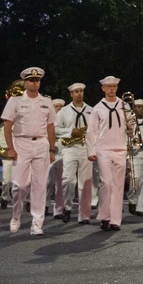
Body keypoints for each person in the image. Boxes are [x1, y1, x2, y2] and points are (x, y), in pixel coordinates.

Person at [1, 66, 57, 236]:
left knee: (40, 185)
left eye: (37, 80)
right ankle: (16, 215)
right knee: (19, 186)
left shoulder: (46, 102)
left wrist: (52, 149)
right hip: (22, 143)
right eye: (31, 80)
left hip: (41, 143)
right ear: (25, 82)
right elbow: (7, 124)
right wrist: (10, 148)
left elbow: (51, 126)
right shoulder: (15, 101)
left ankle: (37, 223)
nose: (34, 83)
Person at [86, 75, 131, 231]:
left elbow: (130, 125)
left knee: (118, 185)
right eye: (109, 87)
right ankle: (104, 216)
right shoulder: (98, 108)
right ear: (103, 88)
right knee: (106, 182)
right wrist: (91, 150)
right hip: (103, 149)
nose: (112, 89)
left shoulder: (124, 105)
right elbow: (91, 131)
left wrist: (131, 131)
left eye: (114, 86)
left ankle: (115, 220)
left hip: (120, 148)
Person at [54, 82, 93, 224]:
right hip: (69, 148)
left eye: (81, 91)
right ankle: (68, 207)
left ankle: (84, 215)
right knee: (68, 180)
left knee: (86, 183)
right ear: (71, 94)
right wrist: (71, 131)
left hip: (85, 148)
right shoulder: (63, 111)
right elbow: (56, 129)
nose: (79, 93)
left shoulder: (91, 110)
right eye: (76, 91)